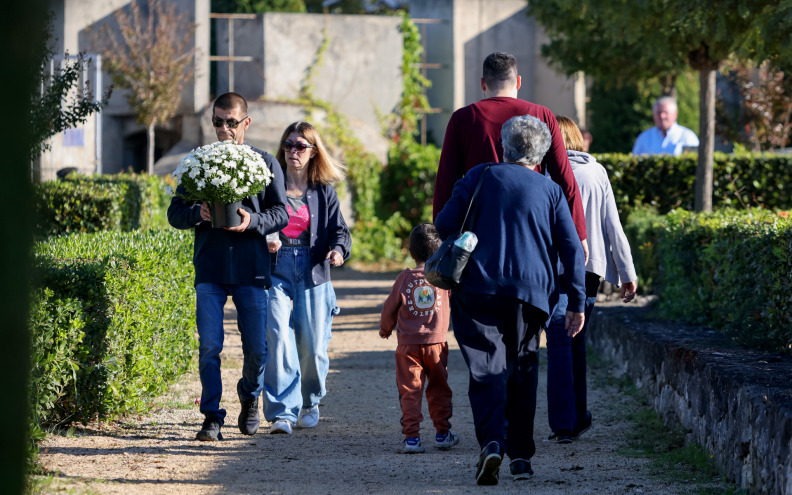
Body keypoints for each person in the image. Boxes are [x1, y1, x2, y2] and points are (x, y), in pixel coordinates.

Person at [435, 114, 586, 485]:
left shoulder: (478, 177)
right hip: (531, 293)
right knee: (524, 366)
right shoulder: (549, 190)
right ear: (541, 154)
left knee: (486, 367)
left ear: (504, 146)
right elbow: (571, 249)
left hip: (478, 287)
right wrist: (578, 301)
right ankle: (520, 457)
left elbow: (443, 225)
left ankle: (491, 442)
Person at [167, 92, 288, 441]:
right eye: (217, 121)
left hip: (252, 267)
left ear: (245, 123)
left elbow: (281, 212)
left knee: (257, 349)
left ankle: (249, 395)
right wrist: (197, 213)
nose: (223, 128)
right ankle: (211, 417)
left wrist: (252, 221)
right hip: (211, 267)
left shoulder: (265, 162)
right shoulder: (198, 163)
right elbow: (175, 213)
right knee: (209, 346)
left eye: (231, 122)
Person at [432, 51, 589, 261]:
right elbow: (565, 181)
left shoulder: (462, 119)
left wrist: (440, 241)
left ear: (482, 83)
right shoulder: (542, 115)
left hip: (477, 238)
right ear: (519, 82)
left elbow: (445, 184)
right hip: (532, 230)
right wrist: (579, 235)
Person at [545, 116, 639, 444]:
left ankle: (564, 422)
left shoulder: (545, 173)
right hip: (590, 269)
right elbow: (613, 225)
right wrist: (627, 273)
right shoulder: (597, 171)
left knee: (557, 337)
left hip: (554, 267)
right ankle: (577, 415)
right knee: (577, 341)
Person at [263, 121, 351, 435]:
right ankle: (282, 413)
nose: (292, 151)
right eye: (288, 145)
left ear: (313, 152)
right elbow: (259, 221)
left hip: (314, 270)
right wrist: (266, 237)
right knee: (279, 337)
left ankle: (310, 401)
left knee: (312, 345)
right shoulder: (269, 187)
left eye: (300, 146)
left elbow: (340, 231)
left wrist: (338, 251)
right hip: (277, 268)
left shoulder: (323, 192)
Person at [379, 223, 459, 454]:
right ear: (439, 250)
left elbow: (389, 307)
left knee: (410, 390)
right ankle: (443, 433)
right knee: (439, 388)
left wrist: (386, 329)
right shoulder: (442, 276)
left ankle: (412, 438)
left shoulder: (404, 279)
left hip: (408, 347)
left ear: (411, 252)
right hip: (436, 344)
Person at [632, 96, 699, 155]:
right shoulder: (644, 138)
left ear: (675, 114)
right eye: (658, 112)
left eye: (666, 112)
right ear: (653, 115)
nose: (662, 116)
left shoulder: (688, 137)